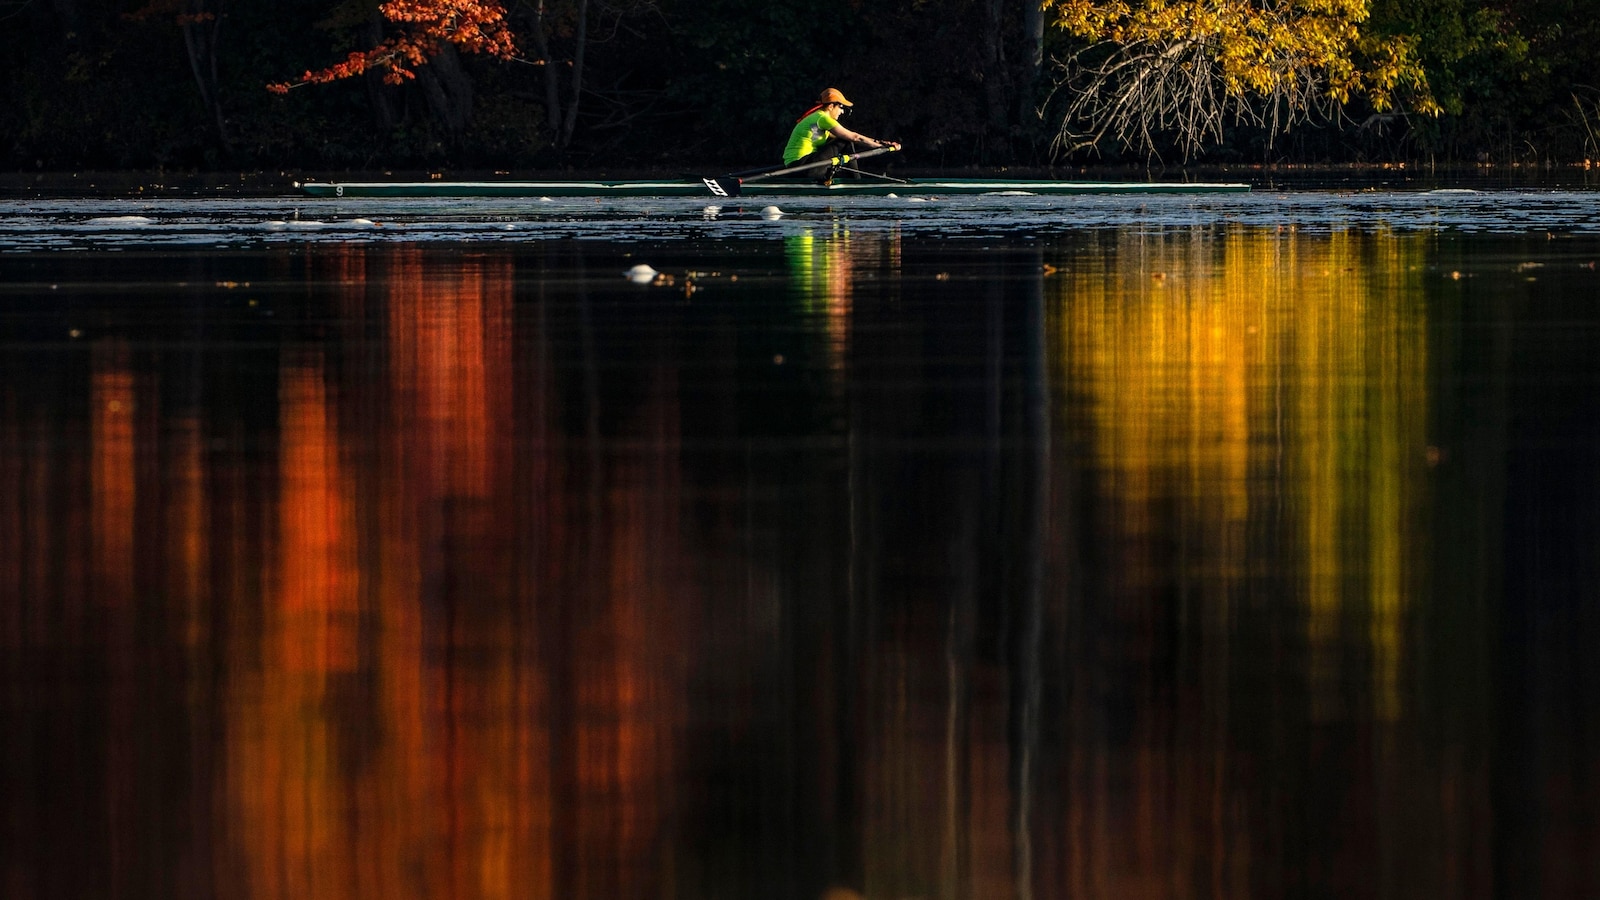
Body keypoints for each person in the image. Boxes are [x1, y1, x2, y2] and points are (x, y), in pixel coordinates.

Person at [782, 88, 897, 179]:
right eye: (841, 107)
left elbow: (839, 141)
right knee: (846, 141)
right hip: (803, 166)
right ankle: (856, 181)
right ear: (831, 106)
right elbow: (855, 137)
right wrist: (881, 146)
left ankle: (846, 177)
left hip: (795, 167)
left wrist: (881, 142)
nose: (842, 112)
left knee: (842, 142)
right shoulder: (822, 118)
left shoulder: (815, 119)